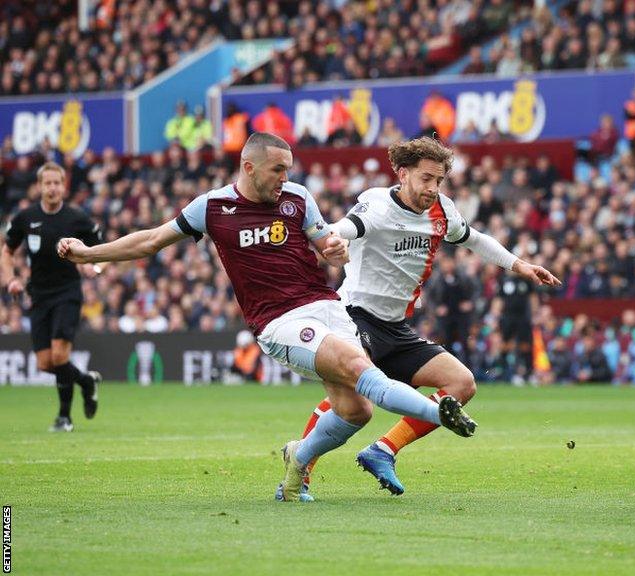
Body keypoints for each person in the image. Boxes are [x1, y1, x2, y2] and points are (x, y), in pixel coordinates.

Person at [57, 133, 477, 502]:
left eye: (288, 170)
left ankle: (299, 457)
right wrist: (90, 254)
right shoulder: (214, 207)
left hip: (328, 307)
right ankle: (437, 413)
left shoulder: (297, 198)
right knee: (358, 367)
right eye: (277, 170)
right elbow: (150, 241)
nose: (285, 178)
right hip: (279, 321)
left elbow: (326, 244)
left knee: (356, 411)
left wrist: (335, 251)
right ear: (249, 166)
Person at [289, 136, 560, 499]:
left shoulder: (442, 211)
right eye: (426, 178)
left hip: (396, 327)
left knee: (462, 384)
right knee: (354, 402)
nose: (432, 188)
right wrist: (332, 239)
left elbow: (474, 239)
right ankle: (301, 468)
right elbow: (346, 227)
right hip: (355, 318)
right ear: (402, 174)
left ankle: (382, 450)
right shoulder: (378, 205)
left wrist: (520, 266)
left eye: (439, 180)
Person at [1, 162, 102, 432]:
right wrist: (10, 279)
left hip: (67, 292)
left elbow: (100, 246)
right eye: (48, 183)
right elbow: (7, 250)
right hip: (39, 295)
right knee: (45, 363)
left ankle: (64, 417)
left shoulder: (77, 218)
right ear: (39, 186)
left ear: (64, 186)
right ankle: (85, 381)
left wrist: (95, 265)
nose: (53, 188)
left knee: (59, 356)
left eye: (57, 183)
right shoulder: (25, 217)